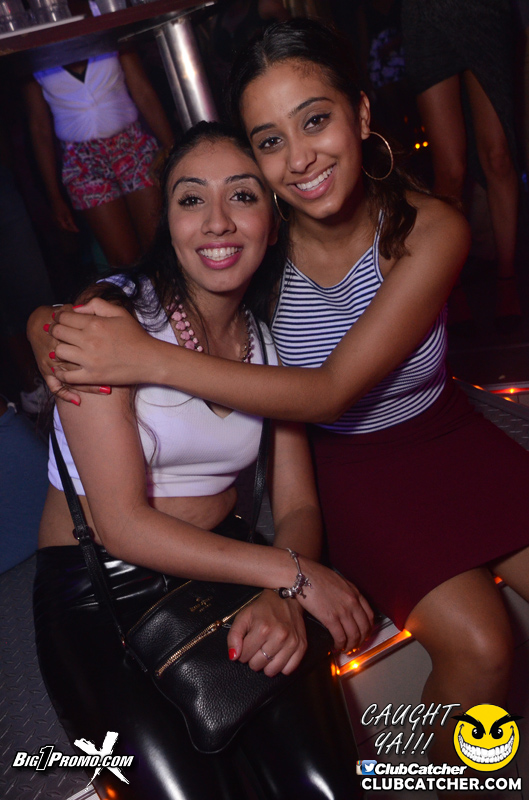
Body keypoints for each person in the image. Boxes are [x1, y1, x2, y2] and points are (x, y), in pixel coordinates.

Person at [29, 19, 529, 775]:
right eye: (269, 140)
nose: (299, 159)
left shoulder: (432, 229)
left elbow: (327, 390)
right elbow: (152, 284)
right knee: (484, 646)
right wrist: (48, 325)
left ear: (360, 113)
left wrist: (145, 358)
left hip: (446, 432)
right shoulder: (255, 248)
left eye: (315, 120)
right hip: (346, 468)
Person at [32, 121, 369, 800]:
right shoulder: (110, 320)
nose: (217, 222)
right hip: (102, 590)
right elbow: (122, 525)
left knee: (325, 787)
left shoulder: (268, 340)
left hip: (231, 565)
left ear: (273, 219)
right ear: (167, 218)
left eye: (242, 196)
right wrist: (293, 575)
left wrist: (280, 594)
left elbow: (297, 504)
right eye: (192, 199)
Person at [401, 0, 522, 332]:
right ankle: (451, 288)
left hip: (483, 10)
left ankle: (508, 280)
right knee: (450, 169)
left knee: (498, 156)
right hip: (425, 15)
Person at [24, 50, 174, 269]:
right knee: (125, 261)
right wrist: (54, 196)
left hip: (132, 146)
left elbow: (144, 93)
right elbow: (40, 129)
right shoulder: (34, 53)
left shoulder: (107, 36)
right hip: (82, 161)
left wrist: (175, 152)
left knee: (160, 246)